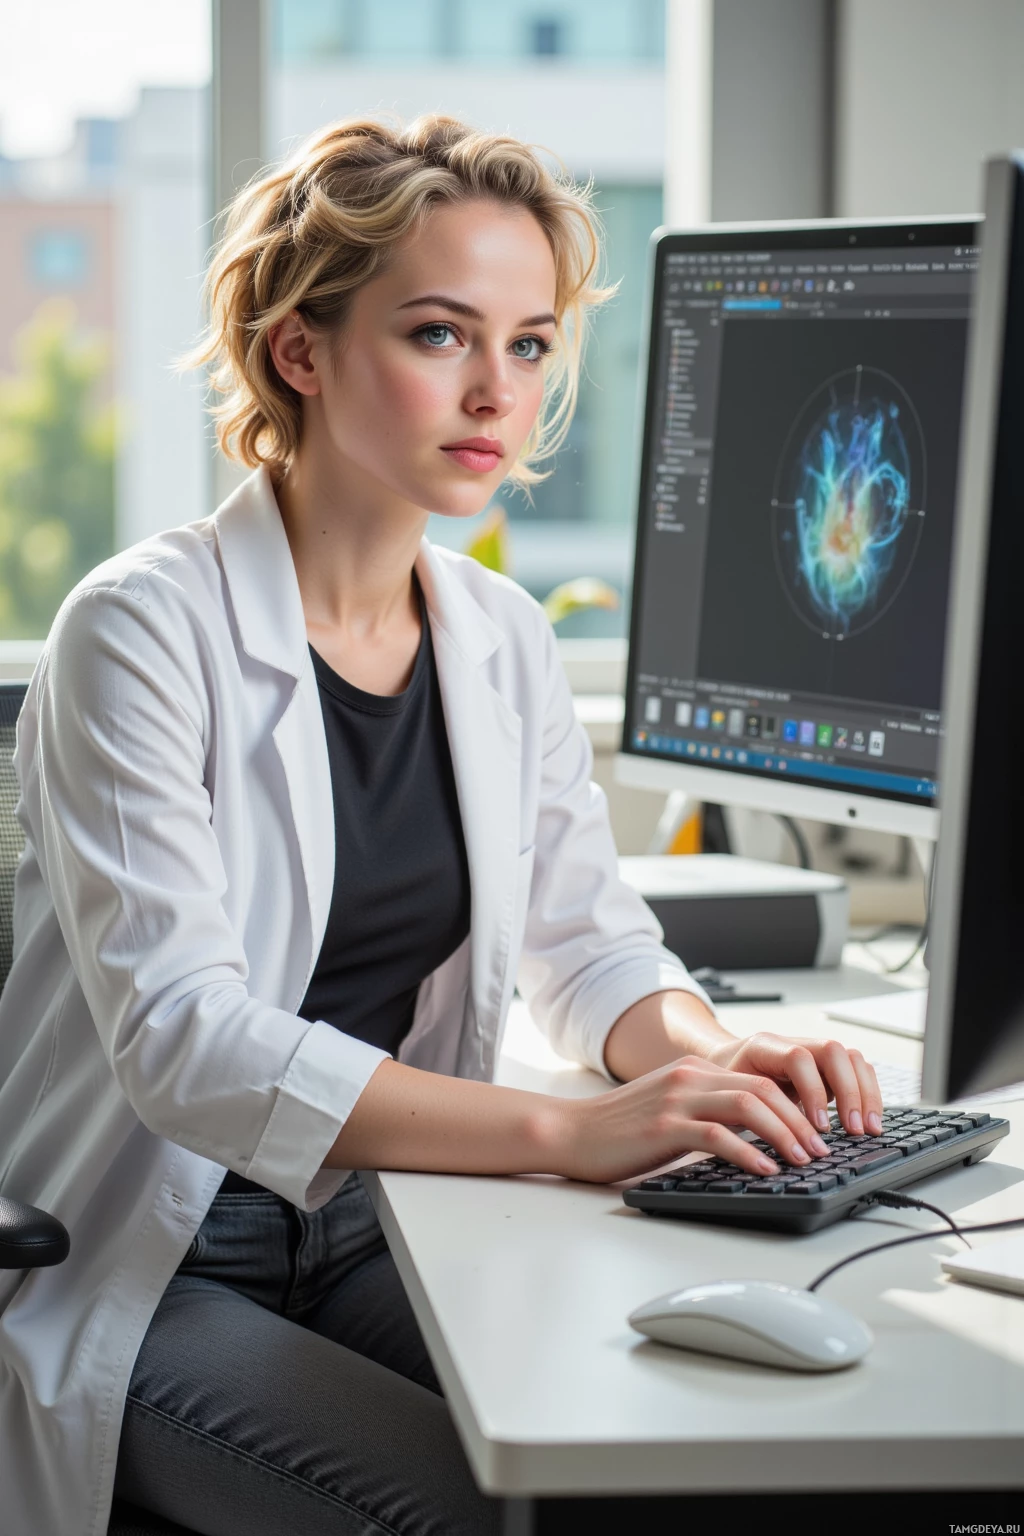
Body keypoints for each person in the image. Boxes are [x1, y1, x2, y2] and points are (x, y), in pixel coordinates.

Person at [0, 115, 882, 1536]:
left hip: (375, 1224)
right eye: (438, 335)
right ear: (300, 350)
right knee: (468, 1515)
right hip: (150, 1259)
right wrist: (571, 1131)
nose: (496, 393)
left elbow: (587, 945)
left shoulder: (498, 635)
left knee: (668, 1464)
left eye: (529, 344)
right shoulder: (139, 630)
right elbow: (189, 1042)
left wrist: (716, 1060)